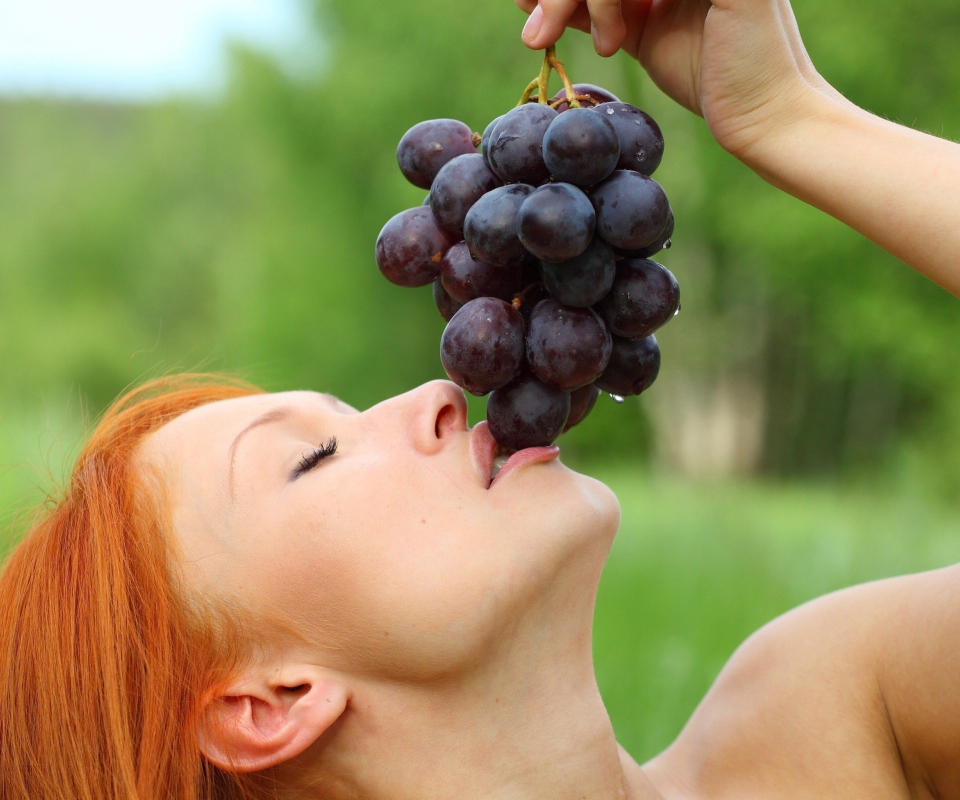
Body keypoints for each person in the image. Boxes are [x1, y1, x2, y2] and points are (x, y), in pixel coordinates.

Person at [0, 3, 957, 800]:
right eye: (314, 455)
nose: (434, 391)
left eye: (345, 414)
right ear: (268, 704)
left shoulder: (832, 705)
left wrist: (795, 120)